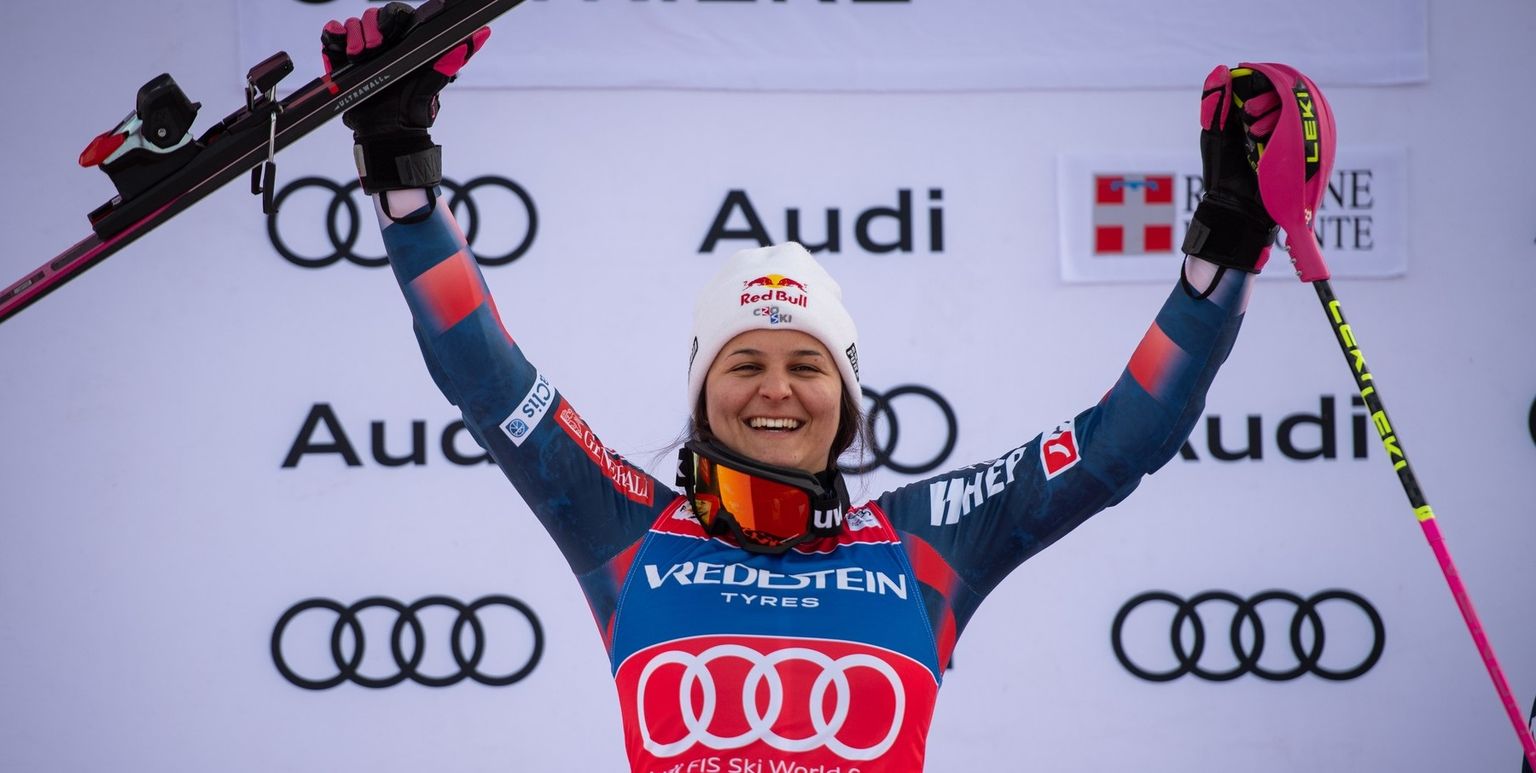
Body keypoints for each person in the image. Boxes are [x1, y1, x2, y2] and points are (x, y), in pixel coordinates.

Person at [323, 5, 1284, 771]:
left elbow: (1123, 439)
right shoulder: (625, 527)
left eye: (807, 364)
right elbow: (484, 373)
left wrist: (1228, 242)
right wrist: (404, 178)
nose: (774, 389)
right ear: (704, 393)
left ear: (847, 399)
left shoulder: (924, 542)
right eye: (743, 363)